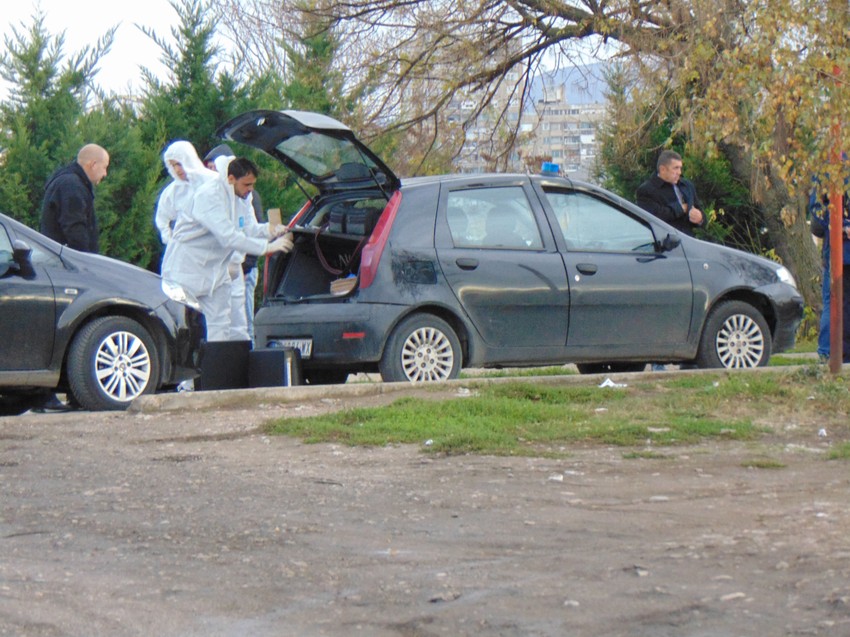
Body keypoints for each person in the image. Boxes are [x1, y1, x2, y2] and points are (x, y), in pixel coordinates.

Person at [161, 156, 292, 342]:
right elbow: (228, 236)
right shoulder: (209, 195)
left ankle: (222, 367)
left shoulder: (242, 197)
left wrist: (271, 230)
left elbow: (248, 227)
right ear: (230, 178)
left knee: (223, 323)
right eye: (247, 184)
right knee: (180, 324)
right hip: (187, 268)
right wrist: (267, 247)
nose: (250, 189)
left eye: (253, 184)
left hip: (216, 271)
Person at [203, 145, 266, 344]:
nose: (212, 171)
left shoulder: (247, 196)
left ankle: (247, 361)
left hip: (242, 270)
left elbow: (250, 231)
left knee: (243, 324)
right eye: (209, 167)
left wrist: (246, 266)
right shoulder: (215, 195)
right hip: (224, 271)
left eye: (214, 166)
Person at [40, 144, 110, 252]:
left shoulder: (69, 182)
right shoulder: (72, 186)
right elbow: (75, 229)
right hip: (66, 263)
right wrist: (86, 261)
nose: (105, 174)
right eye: (105, 167)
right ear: (94, 164)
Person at [809, 183, 850, 363]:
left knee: (833, 301)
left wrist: (839, 225)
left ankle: (828, 352)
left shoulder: (826, 168)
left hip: (836, 249)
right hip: (838, 251)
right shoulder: (828, 169)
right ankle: (829, 351)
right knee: (834, 301)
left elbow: (818, 214)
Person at [154, 141, 215, 246]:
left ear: (189, 159)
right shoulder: (174, 190)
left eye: (179, 163)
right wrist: (169, 241)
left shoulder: (213, 182)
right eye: (173, 165)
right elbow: (162, 218)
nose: (177, 170)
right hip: (184, 251)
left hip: (212, 249)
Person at [636, 150, 706, 237]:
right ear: (662, 169)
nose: (679, 172)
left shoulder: (687, 185)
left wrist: (700, 218)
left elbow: (699, 209)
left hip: (688, 243)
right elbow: (655, 217)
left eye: (680, 168)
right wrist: (681, 208)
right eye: (675, 168)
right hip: (663, 245)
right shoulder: (646, 190)